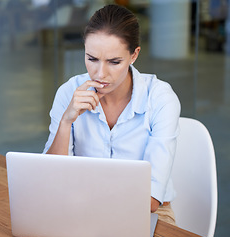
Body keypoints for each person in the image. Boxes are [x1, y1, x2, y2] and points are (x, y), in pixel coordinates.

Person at [43, 4, 181, 225]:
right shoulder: (69, 92)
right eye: (92, 59)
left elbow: (152, 199)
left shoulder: (160, 98)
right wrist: (66, 121)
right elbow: (51, 178)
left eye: (114, 62)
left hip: (146, 212)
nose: (100, 74)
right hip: (79, 206)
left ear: (134, 55)